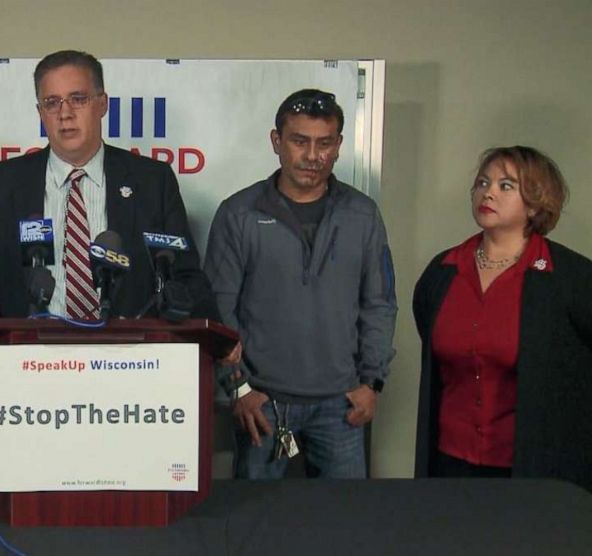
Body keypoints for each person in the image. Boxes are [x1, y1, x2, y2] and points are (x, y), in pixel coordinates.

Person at [0, 49, 220, 355]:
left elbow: (185, 274)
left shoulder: (152, 181)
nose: (65, 113)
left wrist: (219, 348)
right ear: (40, 113)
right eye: (52, 102)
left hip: (131, 363)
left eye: (78, 98)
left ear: (102, 104)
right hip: (27, 365)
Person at [204, 89, 397, 479]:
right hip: (263, 404)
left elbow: (379, 303)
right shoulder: (239, 213)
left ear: (339, 146)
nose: (313, 155)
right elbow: (219, 311)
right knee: (254, 523)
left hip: (342, 404)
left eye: (325, 143)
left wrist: (371, 383)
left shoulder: (361, 214)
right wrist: (238, 389)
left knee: (344, 524)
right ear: (277, 141)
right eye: (300, 141)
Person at [413, 146, 592, 490]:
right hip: (451, 460)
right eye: (483, 182)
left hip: (536, 466)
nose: (488, 192)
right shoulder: (443, 271)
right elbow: (431, 336)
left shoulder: (571, 277)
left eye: (506, 186)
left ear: (536, 202)